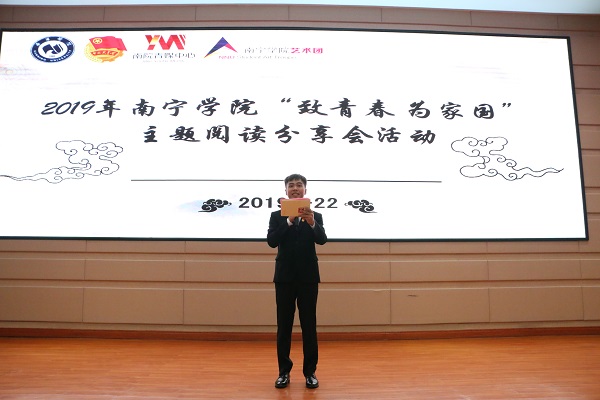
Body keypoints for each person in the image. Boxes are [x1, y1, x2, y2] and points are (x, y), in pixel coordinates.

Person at [267, 173, 327, 389]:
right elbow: (272, 241)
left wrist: (312, 223)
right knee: (284, 326)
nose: (295, 188)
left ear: (305, 190)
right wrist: (289, 221)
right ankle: (283, 372)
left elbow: (322, 240)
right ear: (285, 191)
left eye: (299, 185)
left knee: (309, 325)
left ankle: (310, 372)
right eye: (291, 185)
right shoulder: (277, 216)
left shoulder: (315, 215)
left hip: (308, 278)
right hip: (284, 278)